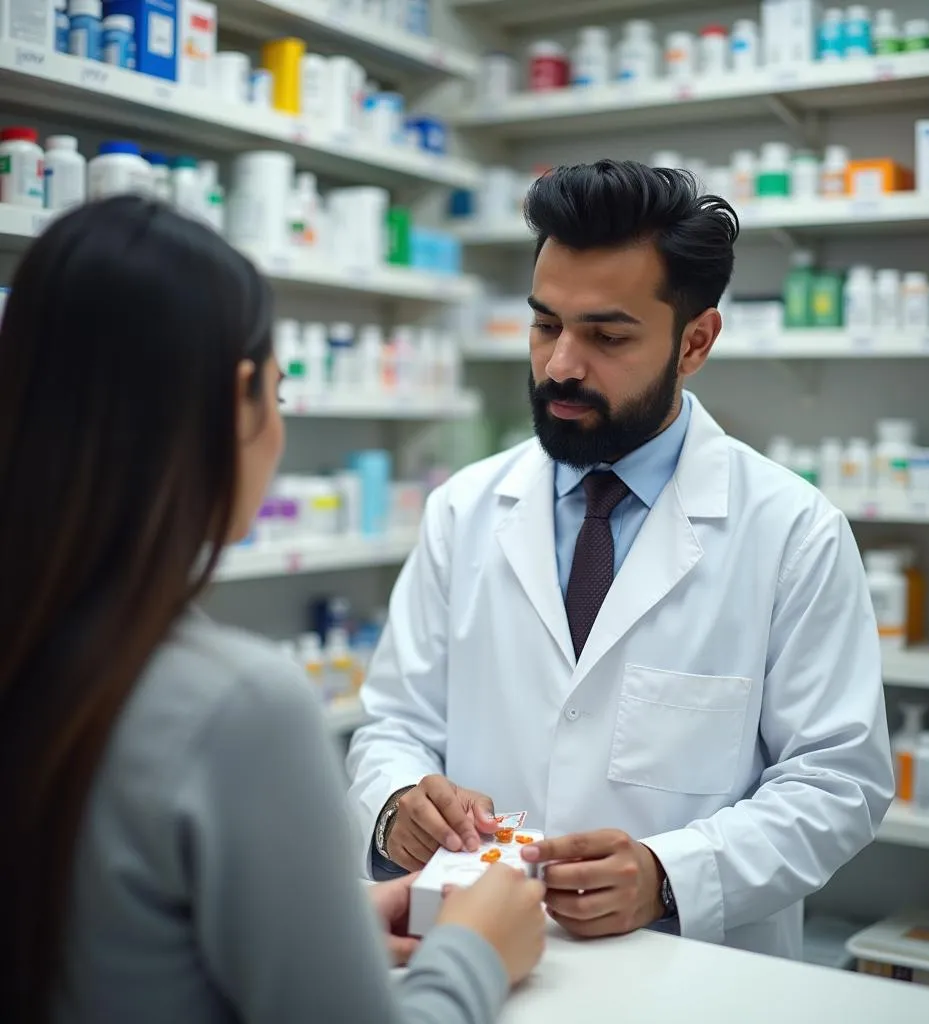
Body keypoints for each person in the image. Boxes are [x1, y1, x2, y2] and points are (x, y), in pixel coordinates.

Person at [0, 196, 546, 1024]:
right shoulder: (237, 707)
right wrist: (476, 952)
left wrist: (323, 924)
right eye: (281, 394)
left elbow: (104, 932)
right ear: (241, 397)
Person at [347, 159, 895, 959]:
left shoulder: (792, 531)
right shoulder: (464, 509)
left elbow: (838, 783)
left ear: (696, 341)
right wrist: (399, 804)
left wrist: (669, 873)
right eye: (545, 325)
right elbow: (393, 723)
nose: (562, 364)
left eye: (606, 336)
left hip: (692, 976)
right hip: (474, 960)